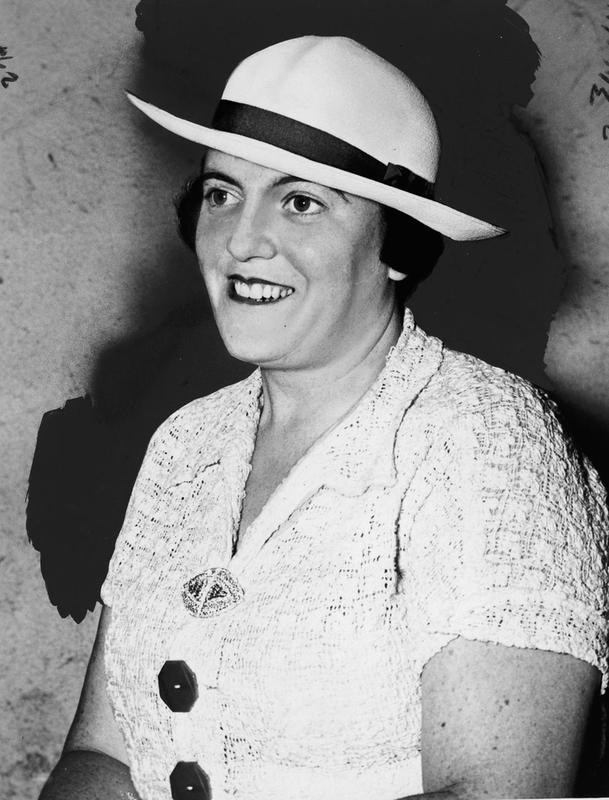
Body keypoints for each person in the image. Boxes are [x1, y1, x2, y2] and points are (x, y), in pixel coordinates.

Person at [40, 36, 609, 800]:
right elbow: (102, 757)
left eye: (300, 202)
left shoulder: (487, 441)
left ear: (397, 243)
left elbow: (494, 789)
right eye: (221, 193)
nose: (241, 240)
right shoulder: (185, 444)